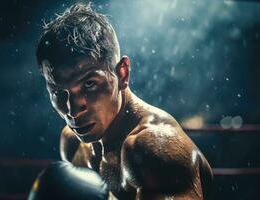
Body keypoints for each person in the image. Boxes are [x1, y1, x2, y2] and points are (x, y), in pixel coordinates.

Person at [30, 3, 213, 200]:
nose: (73, 110)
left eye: (89, 84)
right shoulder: (72, 143)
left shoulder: (155, 150)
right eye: (58, 92)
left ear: (122, 73)